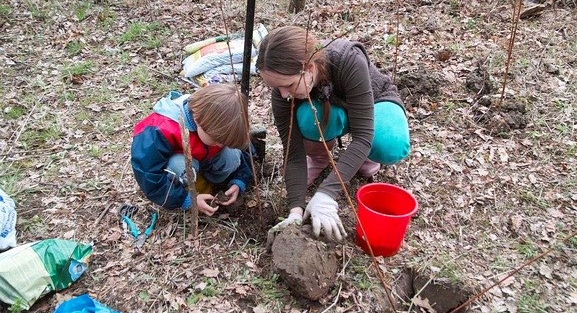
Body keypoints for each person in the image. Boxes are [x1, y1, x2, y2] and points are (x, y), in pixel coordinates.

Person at [257, 26, 410, 242]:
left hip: (373, 103)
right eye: (277, 88)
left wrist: (327, 193)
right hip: (330, 108)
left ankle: (364, 157)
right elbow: (293, 153)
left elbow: (363, 136)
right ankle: (321, 156)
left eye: (288, 85)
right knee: (309, 119)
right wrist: (295, 210)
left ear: (308, 68)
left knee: (389, 143)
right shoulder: (283, 93)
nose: (283, 94)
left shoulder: (347, 59)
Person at [131, 84, 252, 216]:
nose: (220, 145)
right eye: (217, 140)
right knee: (179, 164)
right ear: (198, 121)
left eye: (223, 142)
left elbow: (243, 147)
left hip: (205, 160)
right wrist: (186, 199)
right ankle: (193, 191)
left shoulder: (220, 124)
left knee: (232, 154)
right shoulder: (160, 129)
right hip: (183, 168)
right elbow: (148, 173)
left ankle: (214, 183)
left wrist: (239, 180)